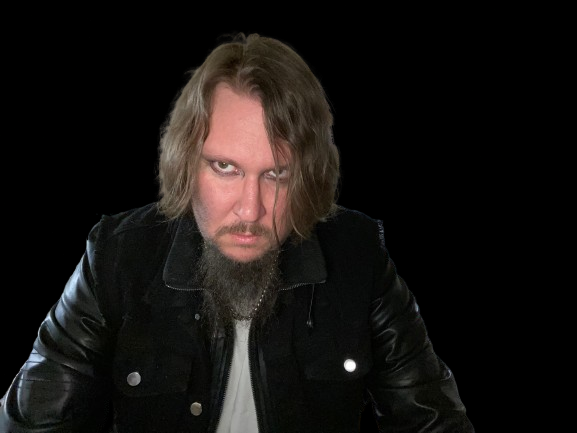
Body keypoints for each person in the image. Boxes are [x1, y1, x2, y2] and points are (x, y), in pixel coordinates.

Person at [0, 32, 474, 433]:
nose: (251, 209)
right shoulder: (117, 255)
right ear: (186, 163)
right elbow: (34, 422)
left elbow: (433, 419)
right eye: (225, 167)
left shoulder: (358, 254)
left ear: (308, 177)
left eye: (278, 174)